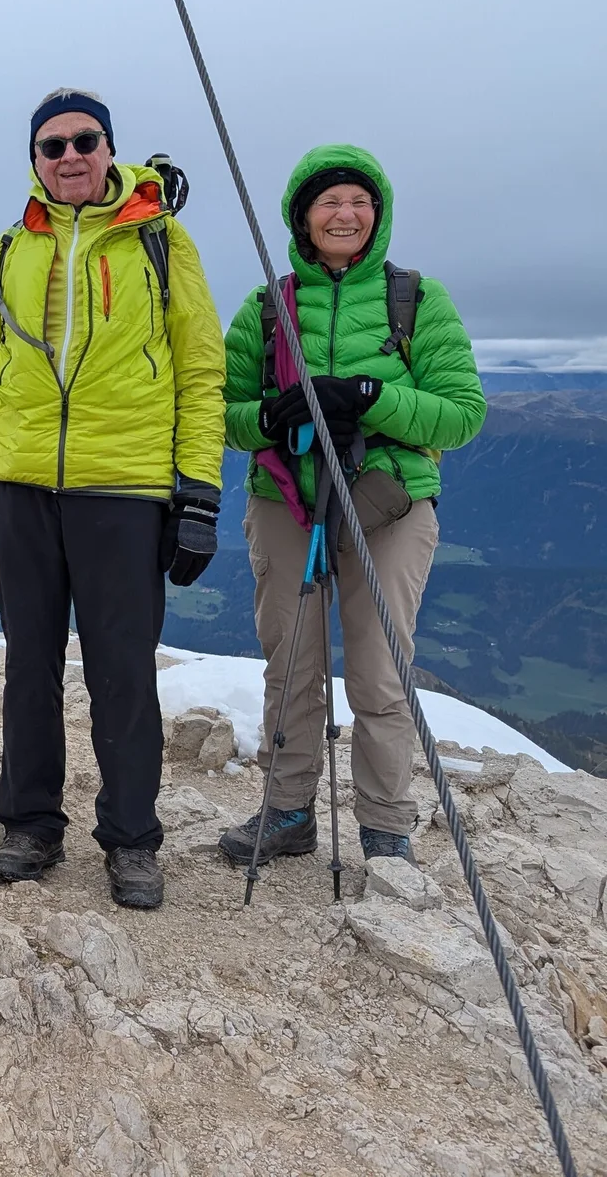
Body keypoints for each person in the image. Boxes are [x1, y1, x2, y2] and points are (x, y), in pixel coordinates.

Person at [0, 88, 226, 910]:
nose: (69, 155)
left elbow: (199, 372)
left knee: (122, 674)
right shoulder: (8, 250)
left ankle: (132, 838)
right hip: (23, 483)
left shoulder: (162, 242)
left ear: (110, 150)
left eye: (85, 140)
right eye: (51, 145)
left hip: (127, 487)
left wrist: (198, 494)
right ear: (33, 161)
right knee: (29, 667)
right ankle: (30, 823)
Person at [219, 146, 485, 866]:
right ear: (302, 217)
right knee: (292, 661)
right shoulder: (268, 309)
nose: (346, 213)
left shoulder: (416, 300)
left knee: (378, 667)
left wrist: (370, 397)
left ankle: (385, 822)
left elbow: (463, 415)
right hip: (288, 498)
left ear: (380, 212)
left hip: (389, 505)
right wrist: (272, 417)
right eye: (330, 201)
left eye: (360, 201)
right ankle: (287, 809)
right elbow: (223, 411)